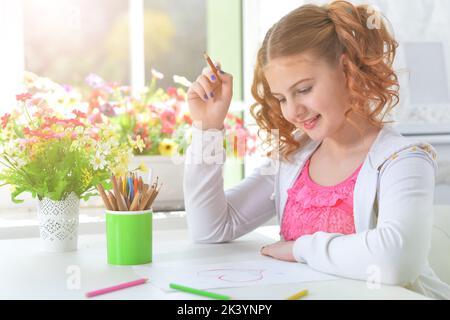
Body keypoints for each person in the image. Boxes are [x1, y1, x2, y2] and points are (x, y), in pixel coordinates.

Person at [183, 0, 450, 299]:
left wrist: (300, 248)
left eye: (304, 90)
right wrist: (207, 127)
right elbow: (211, 228)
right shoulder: (294, 158)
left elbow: (395, 261)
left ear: (348, 71)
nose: (293, 111)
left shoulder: (404, 159)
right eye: (282, 98)